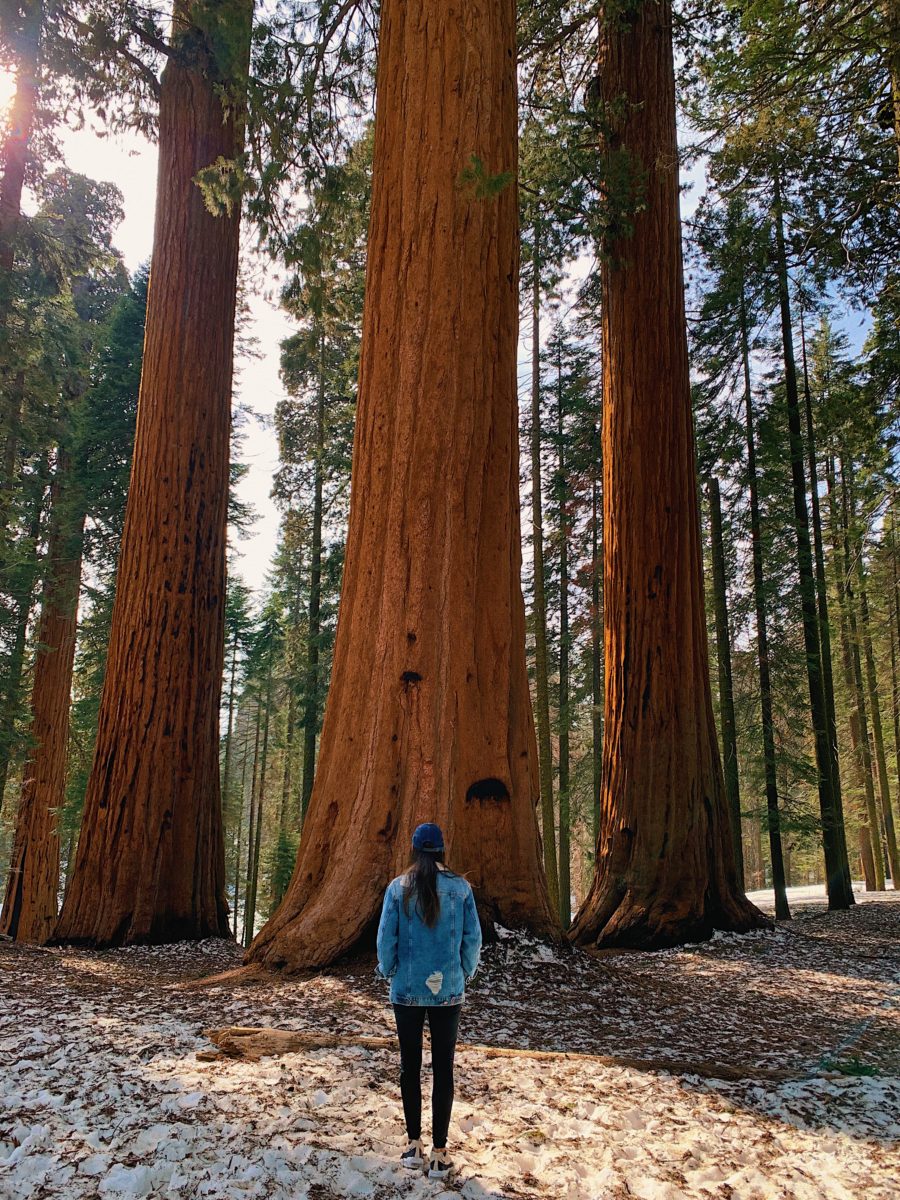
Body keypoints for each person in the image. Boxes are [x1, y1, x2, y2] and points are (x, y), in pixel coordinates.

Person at [376, 822, 482, 1180]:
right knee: (443, 1070)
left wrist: (388, 970)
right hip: (448, 992)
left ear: (414, 850)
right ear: (441, 849)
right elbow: (473, 940)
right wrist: (463, 973)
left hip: (405, 991)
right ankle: (439, 1153)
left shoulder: (397, 888)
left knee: (409, 1066)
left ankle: (412, 1145)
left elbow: (384, 941)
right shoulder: (461, 888)